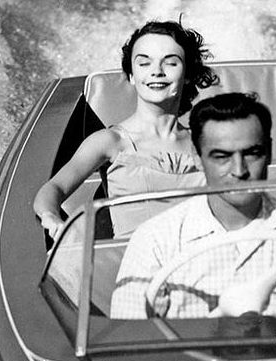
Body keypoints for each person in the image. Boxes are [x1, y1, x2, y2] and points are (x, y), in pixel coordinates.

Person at [109, 91, 276, 319]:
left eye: (252, 153)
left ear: (269, 152)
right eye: (222, 157)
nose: (239, 171)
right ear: (197, 157)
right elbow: (127, 335)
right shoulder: (155, 239)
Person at [33, 19, 218, 239]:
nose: (156, 71)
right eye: (144, 63)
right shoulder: (110, 141)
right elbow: (54, 188)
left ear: (187, 75)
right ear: (131, 75)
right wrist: (51, 218)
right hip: (131, 265)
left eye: (170, 63)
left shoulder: (205, 143)